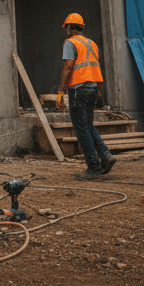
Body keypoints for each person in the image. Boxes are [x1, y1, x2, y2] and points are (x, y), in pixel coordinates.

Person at [57, 13, 115, 179]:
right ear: (81, 27)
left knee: (81, 129)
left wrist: (60, 91)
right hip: (92, 88)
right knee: (88, 125)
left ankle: (93, 166)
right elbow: (94, 67)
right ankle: (105, 155)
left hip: (78, 89)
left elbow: (68, 66)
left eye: (66, 27)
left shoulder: (70, 43)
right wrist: (99, 91)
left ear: (69, 27)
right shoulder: (91, 43)